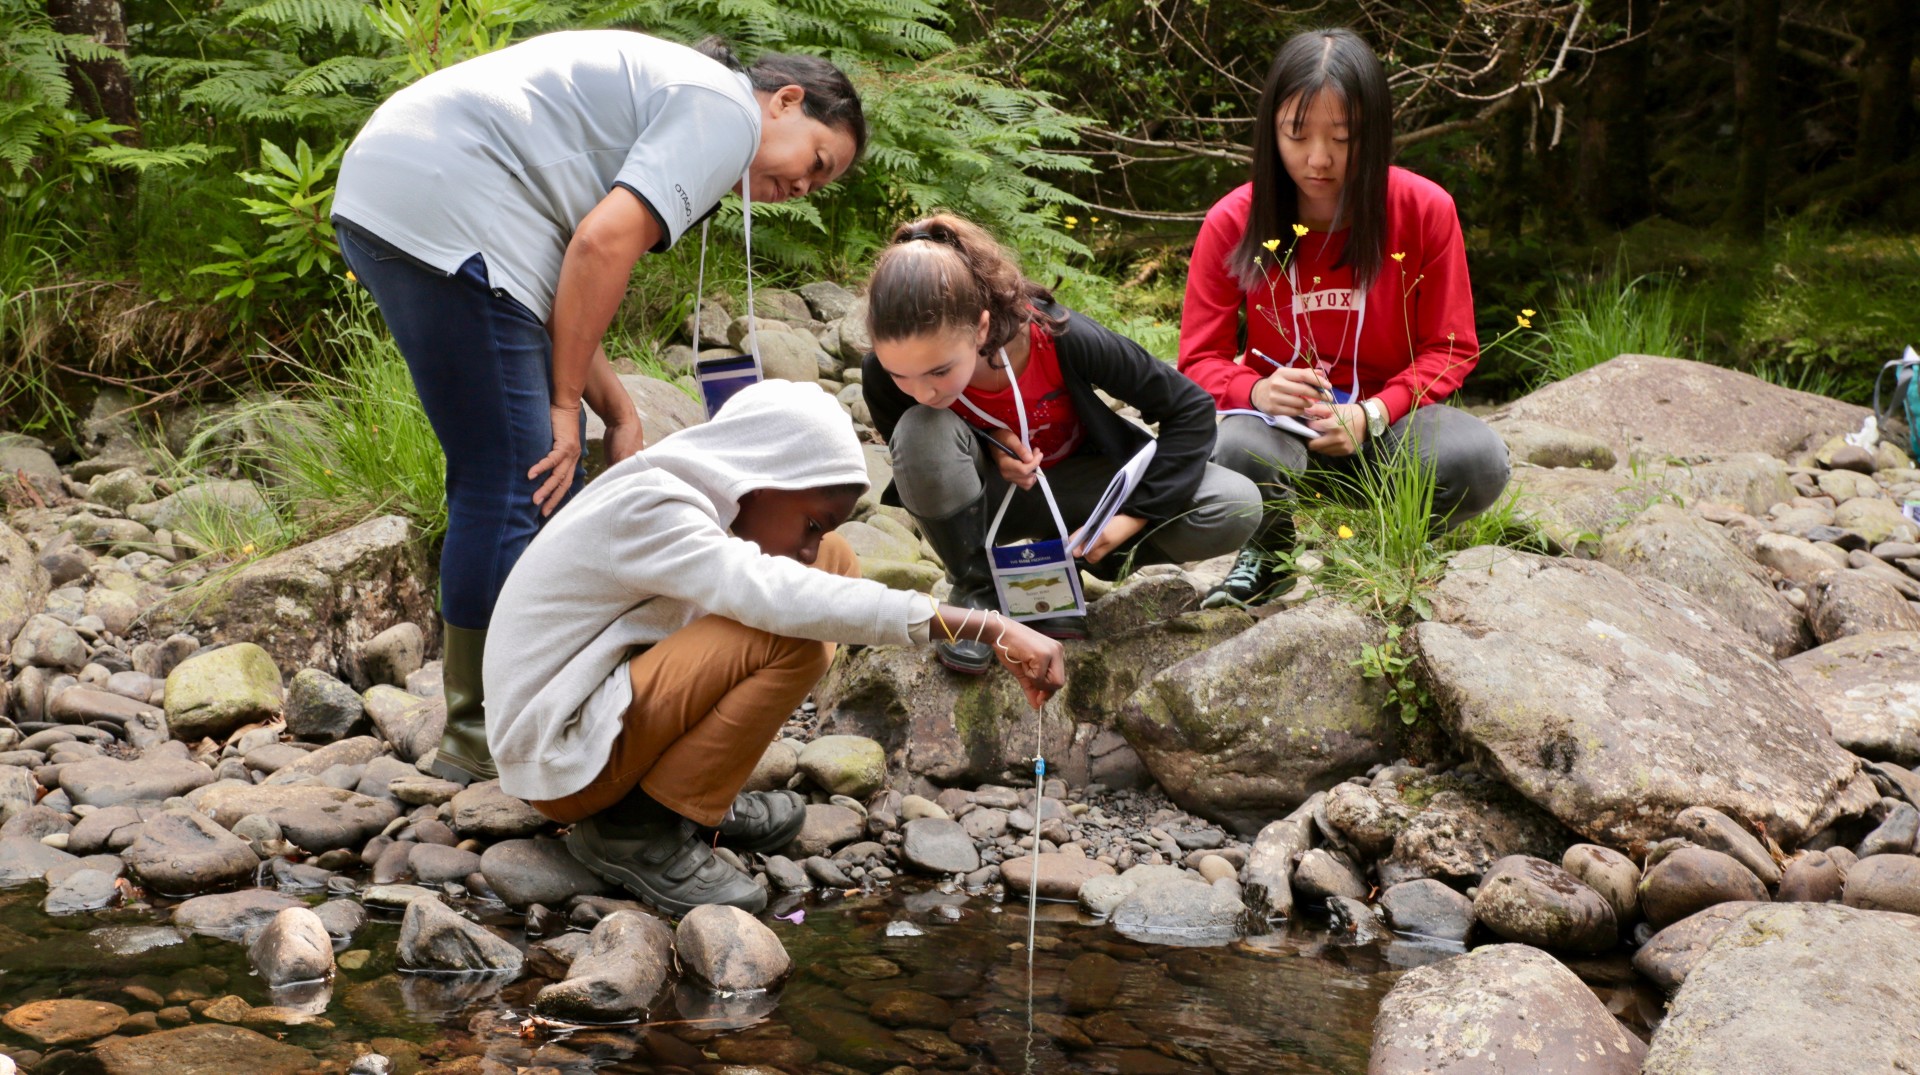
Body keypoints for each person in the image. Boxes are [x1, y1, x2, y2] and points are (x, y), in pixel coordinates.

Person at [331, 31, 868, 786]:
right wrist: (561, 402)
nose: (805, 187)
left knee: (518, 476)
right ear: (783, 101)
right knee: (519, 478)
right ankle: (485, 731)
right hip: (448, 201)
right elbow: (599, 245)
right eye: (816, 161)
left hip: (402, 189)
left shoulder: (671, 98)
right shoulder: (725, 111)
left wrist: (615, 410)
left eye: (821, 185)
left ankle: (517, 706)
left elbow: (558, 280)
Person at [484, 379, 1065, 914]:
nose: (812, 546)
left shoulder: (701, 492)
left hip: (597, 703)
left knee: (835, 569)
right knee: (792, 635)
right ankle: (636, 828)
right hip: (558, 754)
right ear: (764, 476)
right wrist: (988, 626)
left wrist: (820, 548)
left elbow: (805, 579)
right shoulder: (655, 508)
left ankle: (694, 796)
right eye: (813, 522)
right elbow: (777, 598)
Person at [1178, 27, 1511, 609]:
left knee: (1477, 458)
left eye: (1343, 137)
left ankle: (1395, 539)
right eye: (1297, 135)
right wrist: (1256, 390)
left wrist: (1373, 412)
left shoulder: (1424, 210)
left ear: (1374, 133)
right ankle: (1269, 554)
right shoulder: (1233, 221)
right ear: (1270, 132)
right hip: (1281, 433)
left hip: (1387, 432)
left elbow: (1452, 347)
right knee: (1234, 448)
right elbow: (1197, 361)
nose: (1318, 159)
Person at [862, 214, 1262, 674]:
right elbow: (918, 463)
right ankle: (978, 590)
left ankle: (1057, 572)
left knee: (1233, 504)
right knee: (919, 429)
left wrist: (1132, 518)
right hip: (983, 503)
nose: (923, 391)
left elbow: (1189, 409)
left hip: (1080, 499)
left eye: (939, 371)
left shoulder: (1059, 337)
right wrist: (991, 440)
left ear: (980, 327)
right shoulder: (882, 375)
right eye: (901, 375)